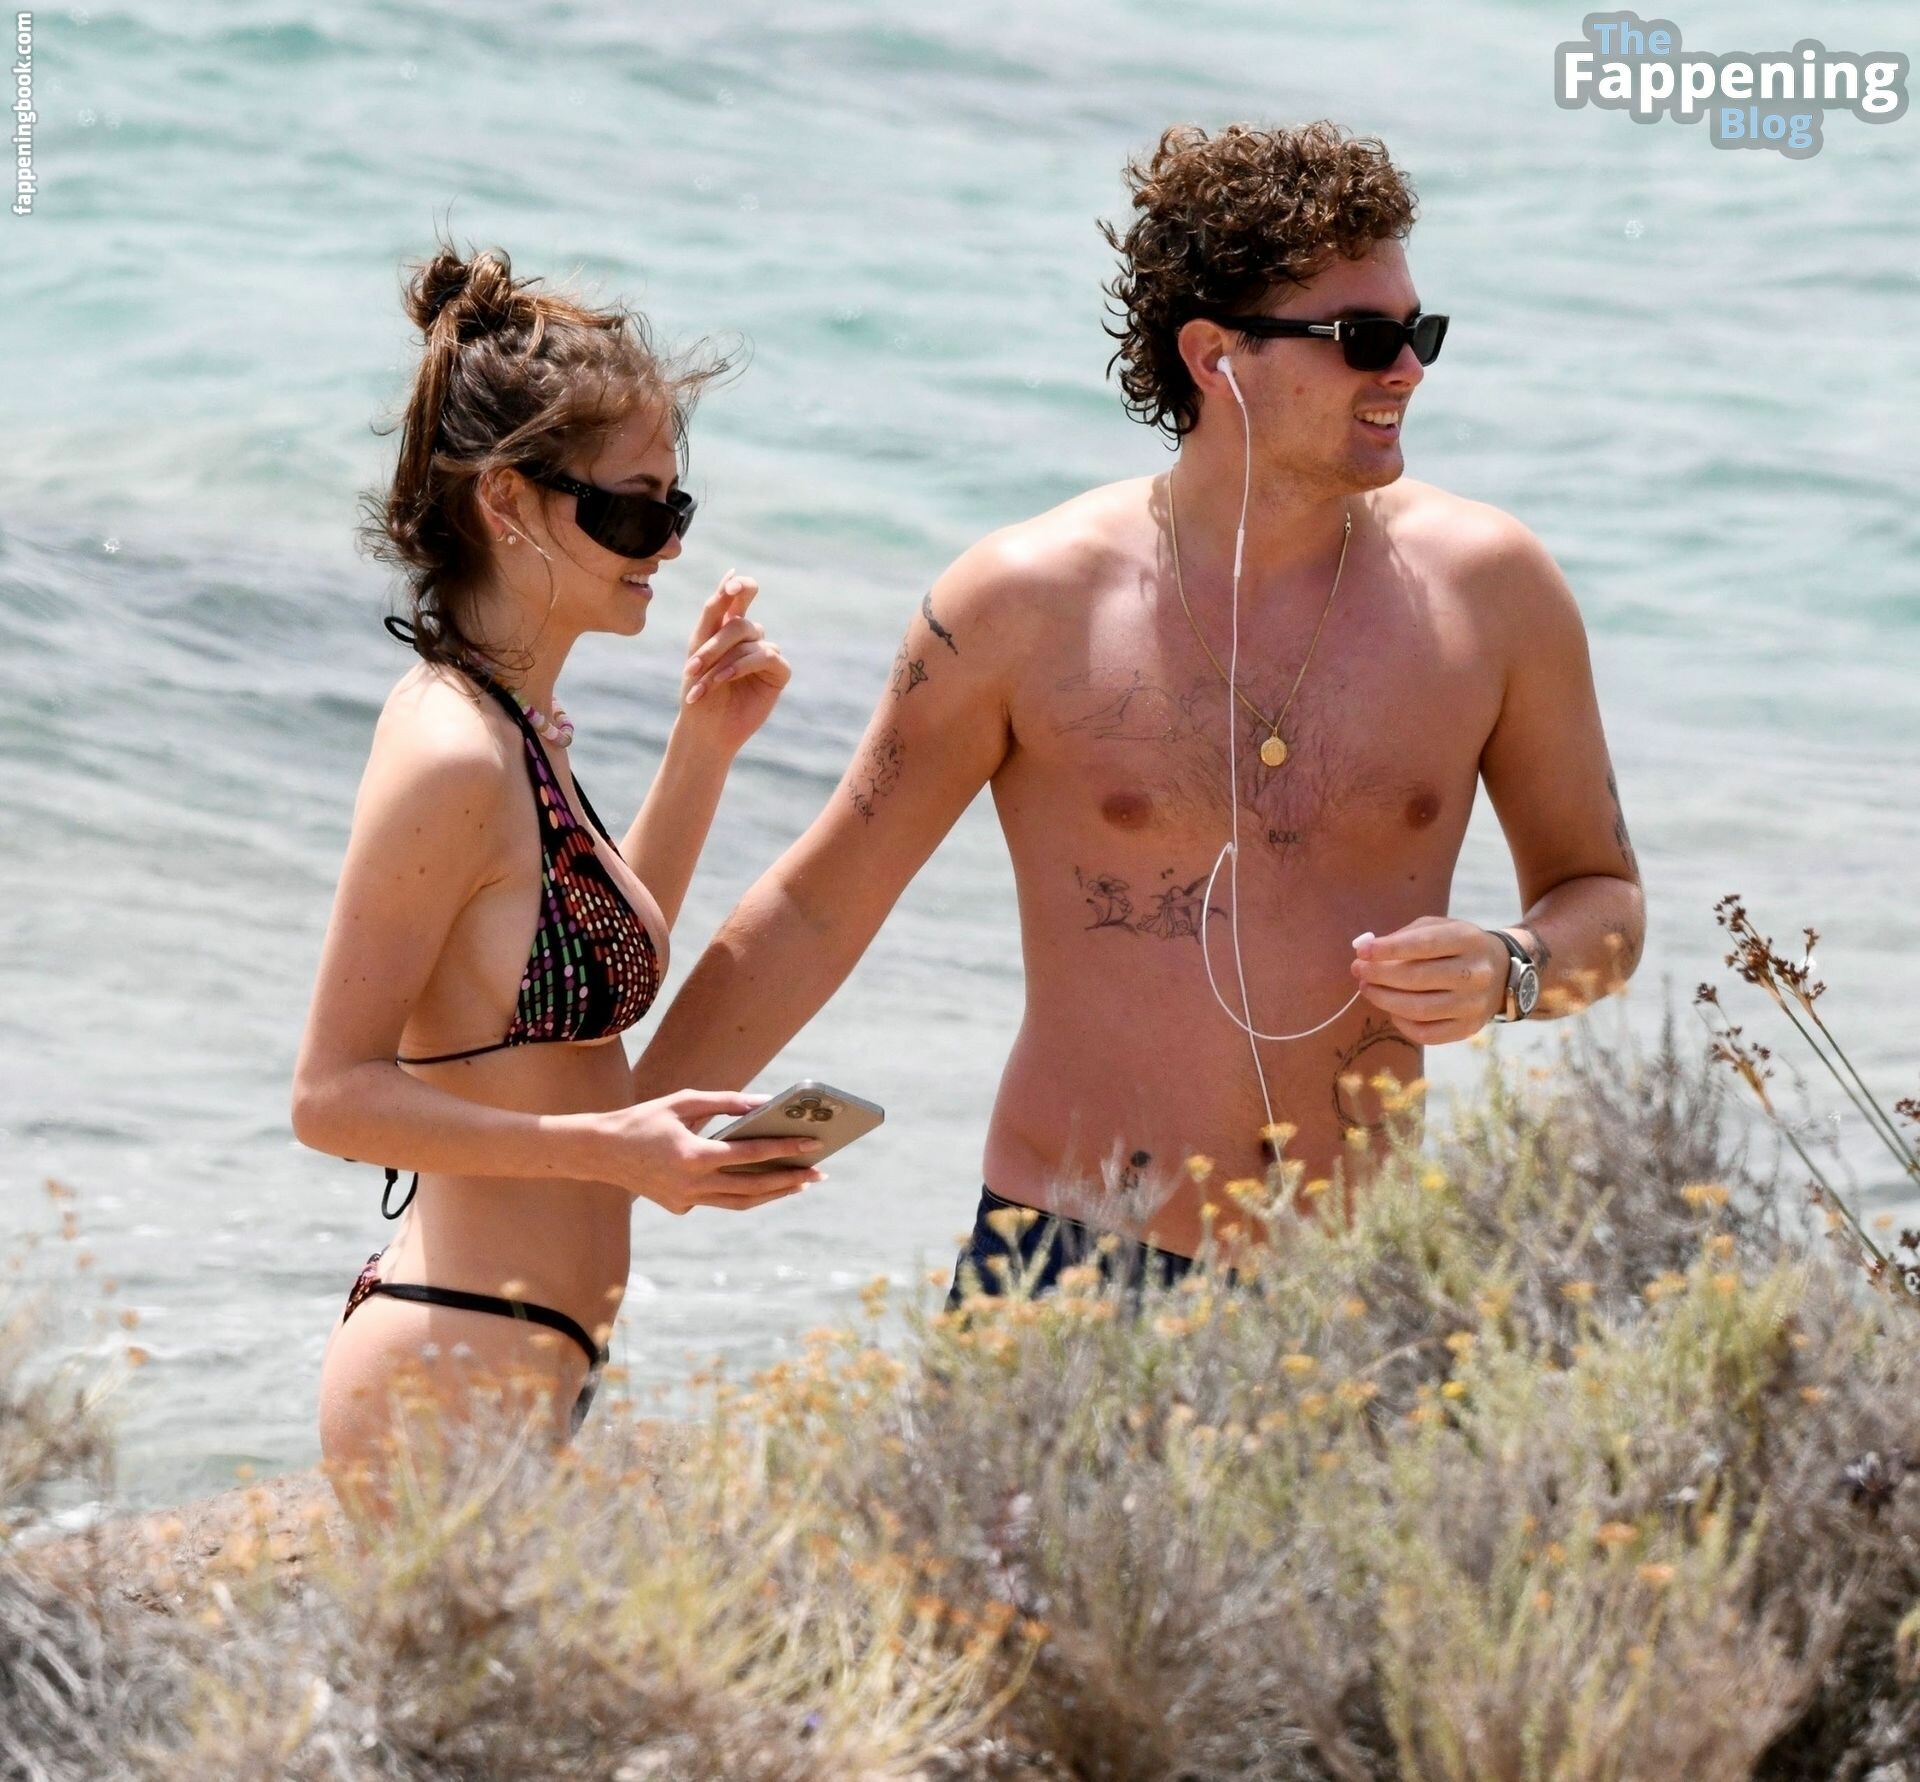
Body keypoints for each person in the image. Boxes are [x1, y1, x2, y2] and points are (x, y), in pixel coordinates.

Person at [631, 121, 1646, 1300]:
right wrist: (605, 1150)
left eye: (1421, 335)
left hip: (1356, 1283)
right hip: (1068, 1258)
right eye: (1366, 340)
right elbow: (819, 904)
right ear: (1215, 355)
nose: (1408, 371)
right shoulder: (1022, 603)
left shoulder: (1493, 592)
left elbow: (1604, 900)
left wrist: (1513, 968)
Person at [293, 241, 823, 1519]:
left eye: (675, 511)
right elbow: (330, 1097)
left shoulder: (518, 731)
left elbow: (587, 975)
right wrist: (612, 1150)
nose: (665, 547)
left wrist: (704, 747)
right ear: (508, 502)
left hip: (521, 1368)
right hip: (447, 1376)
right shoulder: (451, 754)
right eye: (633, 512)